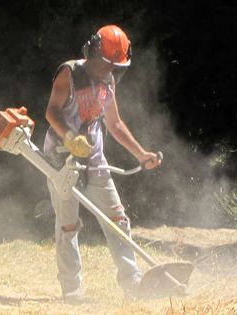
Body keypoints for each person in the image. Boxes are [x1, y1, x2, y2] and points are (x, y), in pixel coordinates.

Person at [43, 24, 161, 304]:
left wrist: (141, 154)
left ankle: (132, 283)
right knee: (68, 225)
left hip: (94, 159)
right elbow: (51, 111)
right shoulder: (68, 73)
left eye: (115, 67)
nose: (109, 71)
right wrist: (70, 138)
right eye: (106, 64)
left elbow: (115, 123)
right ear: (92, 51)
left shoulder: (108, 82)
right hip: (61, 159)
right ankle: (72, 291)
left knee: (118, 219)